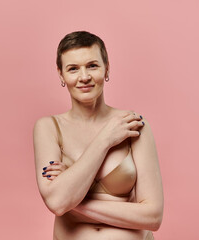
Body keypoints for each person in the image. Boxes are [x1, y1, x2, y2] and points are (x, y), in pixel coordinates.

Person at [33, 31, 163, 240]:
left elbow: (153, 216)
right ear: (61, 75)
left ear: (106, 68)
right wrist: (105, 139)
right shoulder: (48, 127)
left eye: (92, 66)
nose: (84, 77)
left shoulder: (132, 125)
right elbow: (57, 203)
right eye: (73, 69)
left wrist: (72, 199)